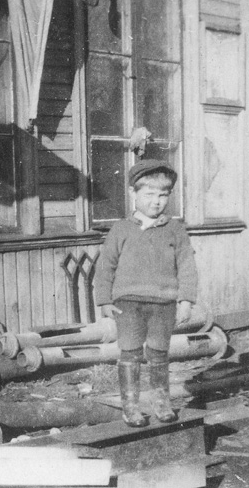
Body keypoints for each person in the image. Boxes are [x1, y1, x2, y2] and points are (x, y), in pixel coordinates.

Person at [95, 159, 198, 427]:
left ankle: (161, 403)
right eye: (149, 194)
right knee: (130, 353)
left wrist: (186, 300)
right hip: (128, 304)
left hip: (164, 304)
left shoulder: (175, 230)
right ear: (133, 193)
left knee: (159, 353)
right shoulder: (121, 229)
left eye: (163, 195)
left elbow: (187, 265)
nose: (156, 202)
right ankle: (130, 406)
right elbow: (105, 266)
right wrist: (104, 300)